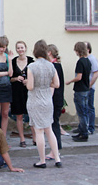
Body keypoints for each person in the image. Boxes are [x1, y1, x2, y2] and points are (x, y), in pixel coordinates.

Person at [26, 40, 62, 168]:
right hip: (47, 100)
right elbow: (57, 84)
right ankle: (57, 158)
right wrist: (47, 85)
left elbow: (30, 86)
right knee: (49, 129)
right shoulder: (51, 65)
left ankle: (42, 160)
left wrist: (27, 82)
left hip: (35, 100)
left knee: (39, 131)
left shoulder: (32, 66)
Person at [10, 41, 35, 147]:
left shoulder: (31, 61)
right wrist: (16, 78)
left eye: (22, 47)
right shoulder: (13, 61)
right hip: (16, 91)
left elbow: (35, 76)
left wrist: (28, 80)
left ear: (25, 48)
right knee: (19, 115)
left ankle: (35, 138)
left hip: (29, 91)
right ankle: (22, 139)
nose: (20, 50)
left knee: (32, 115)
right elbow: (9, 78)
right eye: (18, 48)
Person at [66, 42, 91, 142]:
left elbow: (79, 77)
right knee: (84, 111)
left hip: (80, 90)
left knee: (81, 113)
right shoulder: (88, 61)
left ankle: (84, 134)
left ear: (78, 51)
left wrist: (70, 81)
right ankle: (82, 131)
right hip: (85, 89)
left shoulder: (80, 62)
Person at [45, 44, 65, 160]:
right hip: (58, 99)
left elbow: (53, 85)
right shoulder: (58, 65)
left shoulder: (53, 66)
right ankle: (56, 150)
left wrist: (48, 99)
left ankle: (54, 151)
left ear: (49, 53)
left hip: (54, 99)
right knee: (54, 123)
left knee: (54, 125)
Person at [85, 42, 98, 135]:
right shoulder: (85, 59)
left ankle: (91, 127)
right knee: (84, 107)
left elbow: (96, 73)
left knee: (89, 107)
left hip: (89, 87)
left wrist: (90, 85)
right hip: (85, 87)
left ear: (88, 49)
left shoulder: (92, 59)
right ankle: (84, 126)